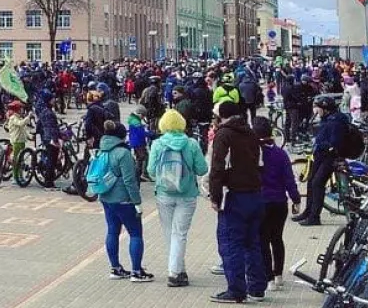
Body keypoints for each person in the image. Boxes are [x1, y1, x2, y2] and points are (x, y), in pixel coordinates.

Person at [207, 101, 266, 303]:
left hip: (233, 196)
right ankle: (257, 287)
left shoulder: (224, 135)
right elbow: (259, 164)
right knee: (252, 243)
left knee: (231, 245)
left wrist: (214, 197)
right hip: (255, 193)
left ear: (221, 115)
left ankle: (236, 290)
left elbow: (217, 168)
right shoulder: (250, 133)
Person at [146, 109, 208, 288]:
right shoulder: (191, 144)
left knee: (169, 233)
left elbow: (150, 171)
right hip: (187, 194)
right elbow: (202, 169)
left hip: (164, 194)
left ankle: (178, 269)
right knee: (179, 233)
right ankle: (175, 272)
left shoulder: (158, 144)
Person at [97, 120, 153, 283]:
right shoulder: (123, 153)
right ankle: (137, 271)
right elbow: (129, 180)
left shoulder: (101, 150)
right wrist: (137, 201)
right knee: (135, 234)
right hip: (124, 199)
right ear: (122, 136)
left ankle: (115, 268)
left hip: (106, 197)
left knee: (112, 231)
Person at [253, 117, 300, 292]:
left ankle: (269, 278)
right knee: (277, 238)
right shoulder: (281, 154)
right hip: (280, 203)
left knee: (262, 240)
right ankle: (279, 274)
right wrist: (296, 199)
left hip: (262, 202)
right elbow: (289, 179)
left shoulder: (254, 153)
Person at [293, 95, 350, 226]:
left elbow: (334, 143)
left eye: (317, 108)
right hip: (320, 155)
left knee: (317, 183)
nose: (315, 111)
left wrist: (320, 144)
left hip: (331, 157)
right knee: (311, 181)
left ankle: (314, 217)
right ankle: (308, 211)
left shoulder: (336, 121)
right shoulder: (327, 118)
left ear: (325, 109)